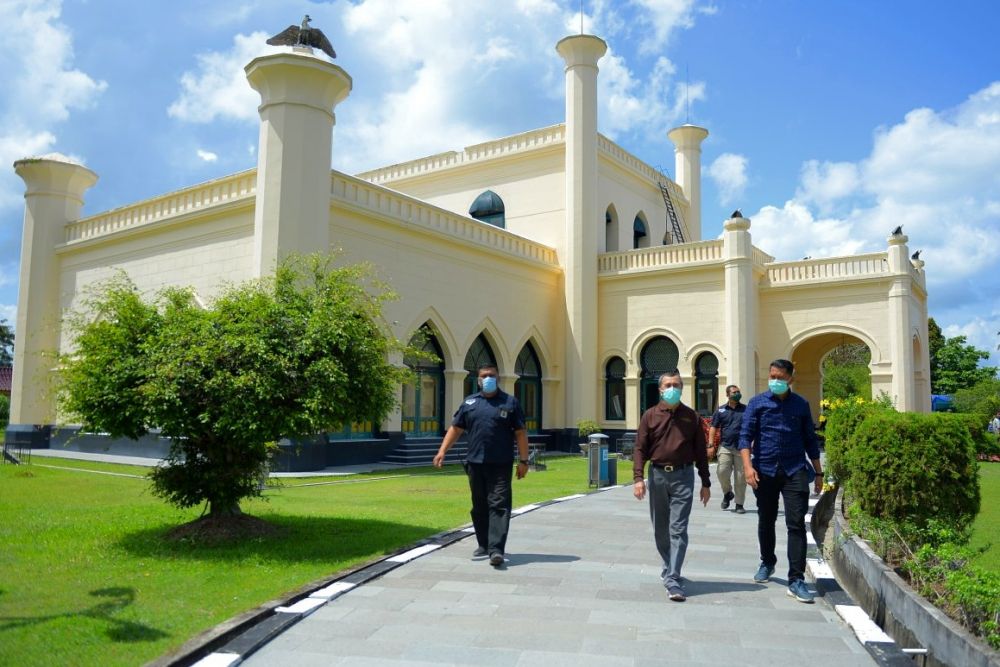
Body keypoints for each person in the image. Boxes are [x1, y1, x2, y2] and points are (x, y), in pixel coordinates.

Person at [739, 359, 823, 604]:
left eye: (780, 377)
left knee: (796, 523)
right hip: (764, 470)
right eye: (772, 375)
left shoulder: (800, 405)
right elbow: (745, 437)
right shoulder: (757, 403)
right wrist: (747, 467)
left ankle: (796, 580)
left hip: (795, 469)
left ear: (790, 379)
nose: (775, 380)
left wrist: (818, 473)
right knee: (766, 519)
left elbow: (810, 440)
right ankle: (767, 561)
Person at [433, 364, 530, 568]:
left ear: (498, 378)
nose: (488, 379)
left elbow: (520, 433)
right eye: (484, 376)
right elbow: (456, 429)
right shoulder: (470, 403)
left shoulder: (509, 403)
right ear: (478, 380)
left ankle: (496, 550)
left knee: (499, 505)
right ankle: (483, 544)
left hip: (501, 464)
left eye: (491, 376)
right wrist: (442, 451)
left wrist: (524, 460)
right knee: (479, 506)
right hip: (475, 463)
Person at [633, 370, 711, 602]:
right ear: (660, 389)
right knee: (660, 529)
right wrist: (638, 478)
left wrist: (705, 482)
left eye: (676, 384)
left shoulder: (692, 417)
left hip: (684, 476)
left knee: (678, 529)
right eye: (668, 385)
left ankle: (673, 578)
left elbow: (700, 452)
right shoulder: (650, 415)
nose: (673, 388)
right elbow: (639, 448)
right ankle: (669, 564)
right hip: (657, 475)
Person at [709, 384, 747, 514]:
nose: (737, 394)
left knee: (741, 477)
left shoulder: (746, 410)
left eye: (738, 391)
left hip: (742, 449)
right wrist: (710, 445)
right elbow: (713, 427)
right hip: (725, 446)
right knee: (722, 472)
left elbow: (752, 426)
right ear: (727, 395)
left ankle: (739, 504)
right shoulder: (720, 411)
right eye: (734, 392)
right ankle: (727, 493)